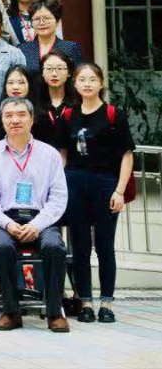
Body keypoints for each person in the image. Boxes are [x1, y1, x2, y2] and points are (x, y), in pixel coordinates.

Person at [0, 97, 70, 331]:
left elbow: (58, 197)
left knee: (55, 247)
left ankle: (54, 312)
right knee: (0, 247)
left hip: (40, 218)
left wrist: (37, 225)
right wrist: (8, 224)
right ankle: (11, 312)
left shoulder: (49, 154)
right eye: (8, 115)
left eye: (21, 114)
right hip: (5, 219)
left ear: (31, 119)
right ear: (2, 121)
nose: (15, 120)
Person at [61, 61, 134, 323]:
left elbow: (126, 155)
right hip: (75, 182)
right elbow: (63, 154)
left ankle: (106, 303)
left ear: (101, 83)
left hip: (105, 182)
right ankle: (85, 302)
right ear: (75, 84)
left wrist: (119, 191)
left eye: (93, 79)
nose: (87, 84)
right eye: (82, 79)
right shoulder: (68, 115)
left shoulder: (114, 114)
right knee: (80, 246)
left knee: (105, 246)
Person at [20, 0, 83, 71]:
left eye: (47, 18)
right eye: (37, 19)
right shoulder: (23, 49)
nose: (41, 23)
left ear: (57, 21)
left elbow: (77, 75)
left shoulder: (71, 48)